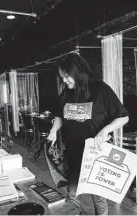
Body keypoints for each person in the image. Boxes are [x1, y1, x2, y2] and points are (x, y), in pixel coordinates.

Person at [47, 53, 129, 215]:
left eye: (66, 76)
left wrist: (105, 130)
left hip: (95, 156)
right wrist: (53, 131)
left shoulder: (100, 89)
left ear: (78, 71)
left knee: (98, 198)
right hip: (73, 154)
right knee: (72, 196)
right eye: (61, 77)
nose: (64, 80)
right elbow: (59, 115)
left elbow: (124, 117)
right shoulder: (66, 93)